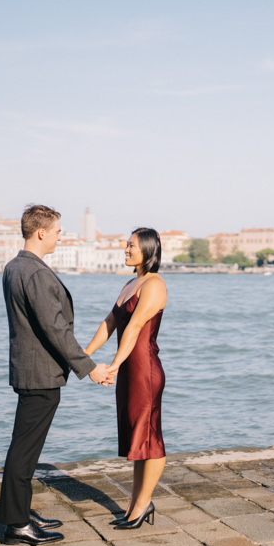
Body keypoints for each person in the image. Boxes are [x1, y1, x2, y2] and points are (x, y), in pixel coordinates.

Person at [0, 204, 112, 546]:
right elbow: (55, 329)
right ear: (41, 232)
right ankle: (16, 525)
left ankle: (19, 511)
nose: (61, 236)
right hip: (40, 374)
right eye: (59, 231)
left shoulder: (15, 267)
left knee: (25, 448)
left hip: (30, 369)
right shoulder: (34, 273)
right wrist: (89, 368)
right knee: (24, 451)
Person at [84, 227, 167, 530]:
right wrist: (84, 355)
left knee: (151, 438)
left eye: (131, 246)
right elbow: (110, 323)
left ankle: (143, 505)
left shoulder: (155, 285)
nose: (126, 250)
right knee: (137, 440)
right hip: (129, 371)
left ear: (147, 249)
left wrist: (115, 365)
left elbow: (132, 329)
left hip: (144, 370)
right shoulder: (131, 283)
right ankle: (134, 505)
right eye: (126, 245)